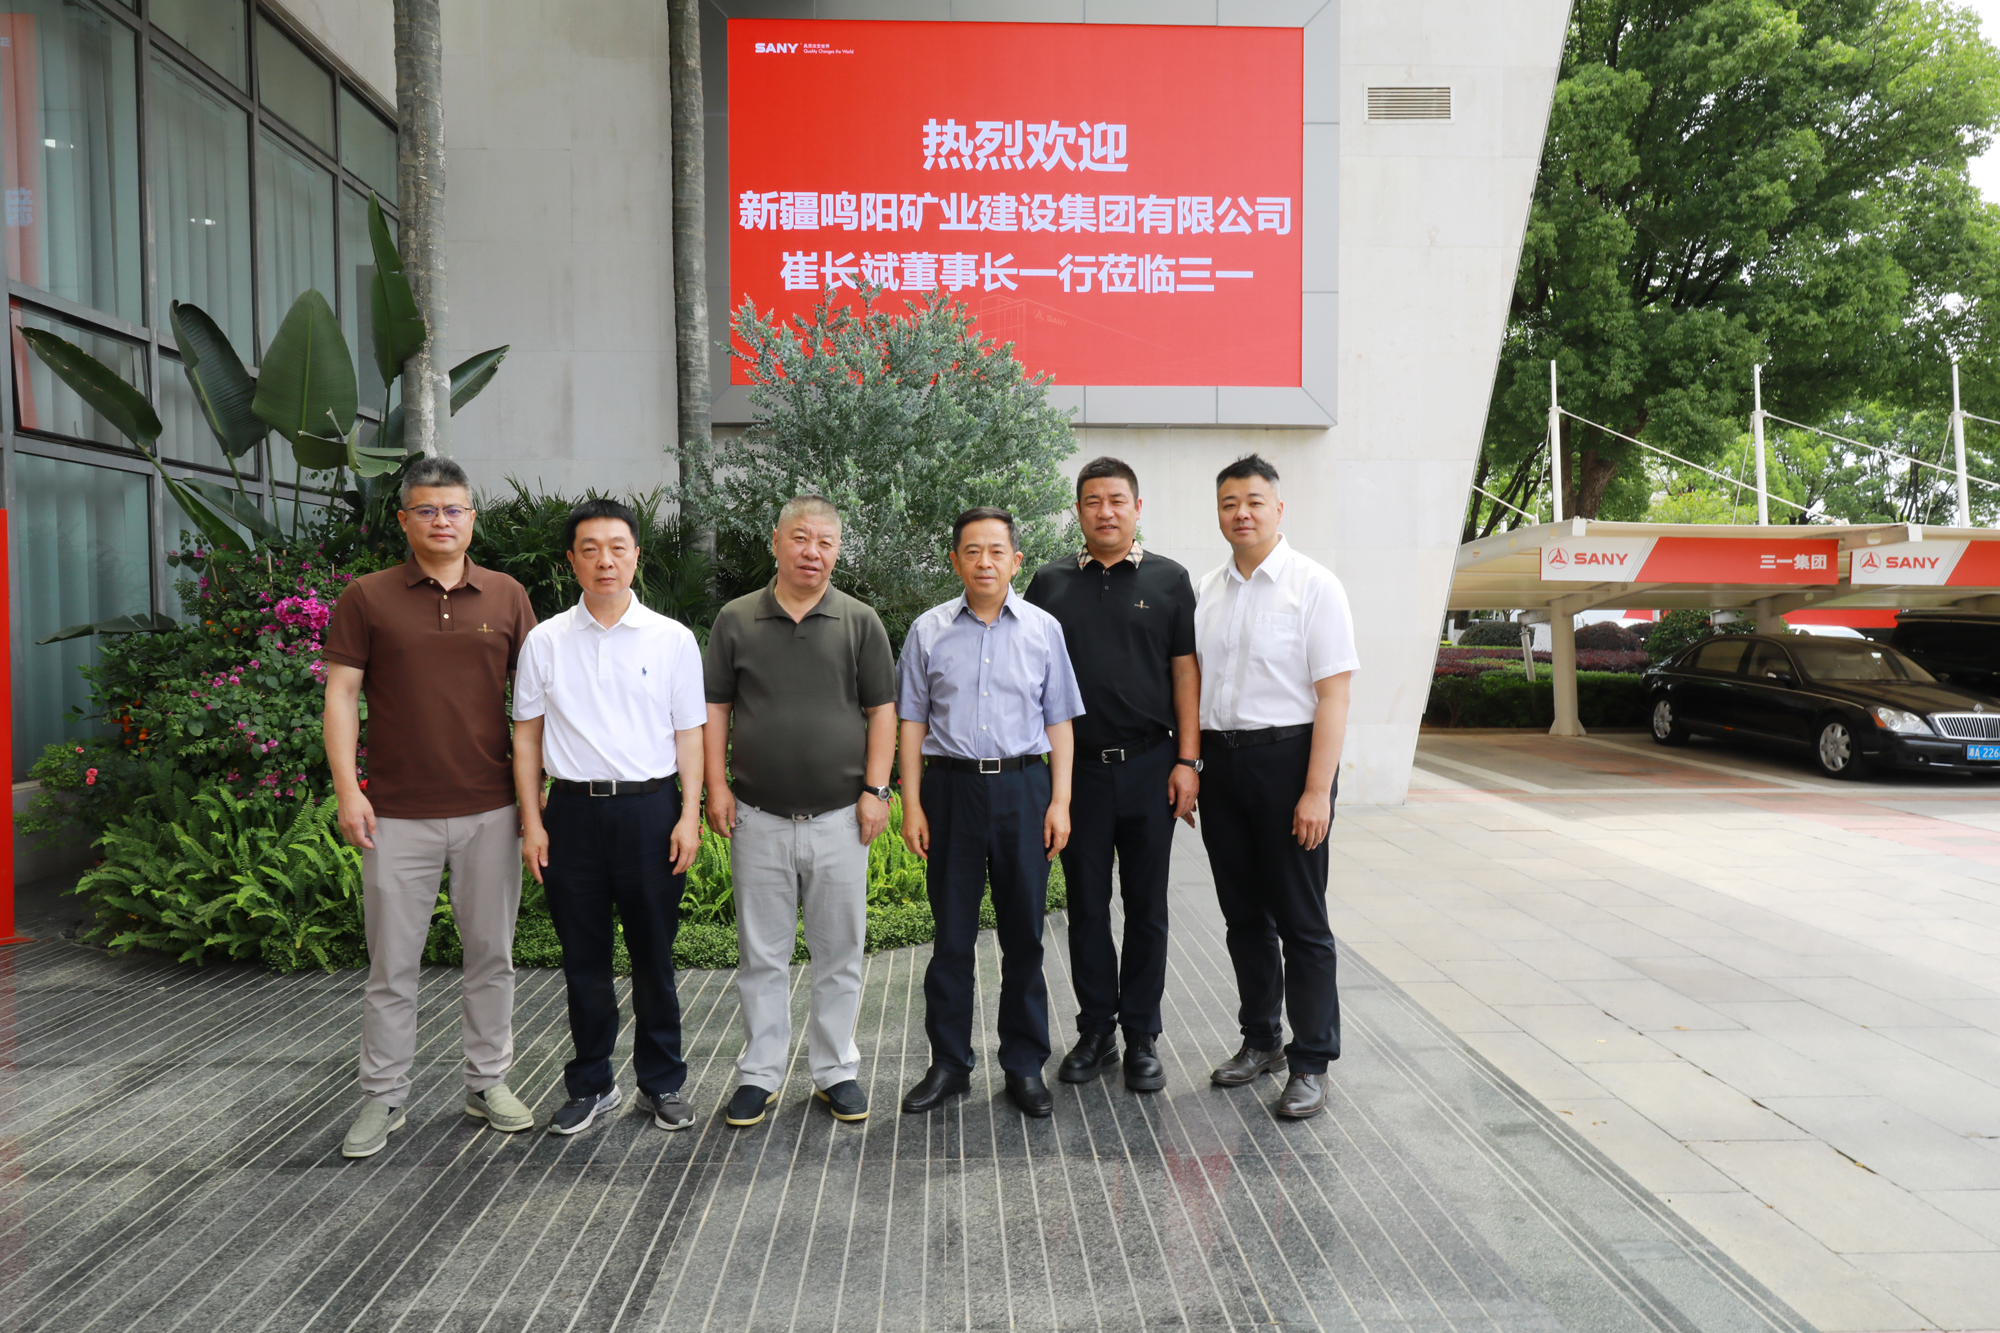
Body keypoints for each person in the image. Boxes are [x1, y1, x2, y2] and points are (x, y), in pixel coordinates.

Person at [324, 457, 539, 1159]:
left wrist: (534, 801)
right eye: (426, 509)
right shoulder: (367, 596)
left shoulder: (507, 595)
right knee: (392, 966)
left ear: (472, 517)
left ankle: (488, 1082)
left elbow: (535, 706)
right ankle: (383, 1096)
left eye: (453, 509)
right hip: (395, 814)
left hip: (490, 809)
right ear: (404, 519)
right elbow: (341, 696)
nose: (441, 521)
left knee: (492, 956)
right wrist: (349, 789)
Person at [512, 498, 707, 1135]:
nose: (605, 561)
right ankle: (592, 1083)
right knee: (584, 961)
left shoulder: (672, 639)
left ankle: (662, 1082)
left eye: (618, 548)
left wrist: (689, 815)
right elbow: (526, 737)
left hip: (651, 812)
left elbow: (690, 734)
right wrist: (532, 822)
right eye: (590, 549)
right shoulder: (545, 640)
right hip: (570, 814)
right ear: (571, 560)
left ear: (636, 556)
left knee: (654, 958)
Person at [703, 496, 898, 1127]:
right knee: (761, 955)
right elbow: (715, 709)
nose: (812, 552)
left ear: (837, 550)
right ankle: (759, 1074)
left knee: (839, 953)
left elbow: (883, 711)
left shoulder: (859, 620)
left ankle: (836, 1070)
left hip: (841, 818)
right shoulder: (736, 619)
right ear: (776, 542)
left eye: (825, 542)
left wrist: (877, 791)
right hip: (756, 816)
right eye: (800, 538)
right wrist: (715, 786)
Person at [897, 507, 1084, 1118]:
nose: (985, 562)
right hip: (950, 792)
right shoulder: (927, 630)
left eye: (997, 551)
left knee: (1024, 935)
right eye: (972, 551)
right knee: (951, 937)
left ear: (1016, 561)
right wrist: (912, 804)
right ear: (955, 560)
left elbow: (1059, 721)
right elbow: (911, 722)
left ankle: (1024, 1065)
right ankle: (949, 1064)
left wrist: (1060, 802)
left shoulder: (1043, 629)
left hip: (1023, 790)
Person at [1025, 458, 1199, 1093]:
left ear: (1137, 507)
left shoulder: (1170, 579)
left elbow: (1185, 673)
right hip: (1080, 775)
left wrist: (1188, 761)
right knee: (1086, 906)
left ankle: (1142, 1036)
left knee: (1147, 907)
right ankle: (1097, 1030)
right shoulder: (1049, 583)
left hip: (1152, 766)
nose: (1106, 511)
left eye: (1117, 500)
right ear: (1078, 511)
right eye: (1093, 501)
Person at [1193, 455, 1358, 1120]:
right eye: (1229, 502)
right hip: (1221, 765)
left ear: (1278, 509)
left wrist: (1317, 791)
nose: (1242, 513)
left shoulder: (1314, 585)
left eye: (1254, 501)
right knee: (1243, 917)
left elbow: (1334, 695)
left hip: (1289, 764)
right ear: (1219, 512)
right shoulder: (1207, 590)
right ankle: (1262, 1039)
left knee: (1302, 920)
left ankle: (1311, 1059)